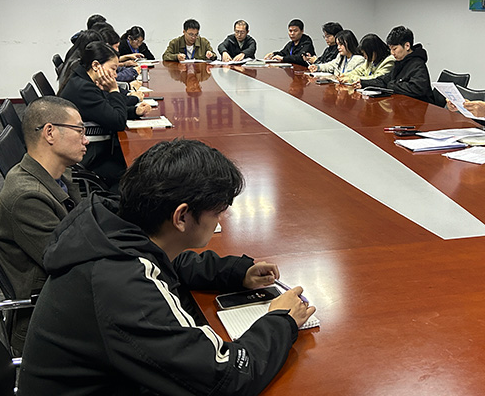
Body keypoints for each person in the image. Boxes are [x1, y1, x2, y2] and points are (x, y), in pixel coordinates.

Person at [18, 139, 316, 395]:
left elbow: (170, 259)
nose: (219, 221)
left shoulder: (112, 226)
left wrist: (238, 272)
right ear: (182, 217)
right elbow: (226, 376)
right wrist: (282, 320)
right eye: (217, 213)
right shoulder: (123, 283)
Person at [0, 96, 88, 355]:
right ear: (50, 132)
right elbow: (75, 262)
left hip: (67, 295)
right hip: (50, 320)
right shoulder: (27, 197)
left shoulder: (57, 175)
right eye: (79, 130)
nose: (85, 139)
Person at [58, 41, 152, 188]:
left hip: (96, 145)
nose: (115, 74)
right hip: (89, 155)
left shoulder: (85, 79)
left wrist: (134, 111)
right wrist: (114, 90)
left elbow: (107, 107)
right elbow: (118, 121)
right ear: (96, 65)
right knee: (136, 172)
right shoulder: (83, 89)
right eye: (113, 69)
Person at [357, 25, 434, 103]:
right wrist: (363, 83)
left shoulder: (418, 64)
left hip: (420, 106)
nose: (392, 53)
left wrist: (392, 85)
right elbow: (384, 80)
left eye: (394, 49)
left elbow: (417, 88)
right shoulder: (400, 62)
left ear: (407, 46)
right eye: (390, 49)